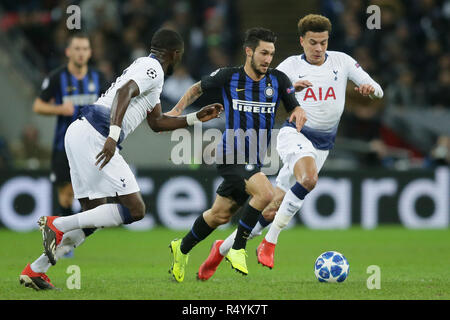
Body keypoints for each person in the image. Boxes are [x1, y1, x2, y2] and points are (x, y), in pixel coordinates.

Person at [19, 29, 222, 290]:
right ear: (176, 54)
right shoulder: (153, 68)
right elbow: (125, 91)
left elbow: (157, 123)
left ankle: (36, 270)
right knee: (135, 210)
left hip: (81, 132)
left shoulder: (147, 72)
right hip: (97, 133)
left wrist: (195, 118)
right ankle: (57, 224)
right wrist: (113, 136)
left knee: (93, 218)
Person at [197, 14, 384, 280]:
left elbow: (378, 90)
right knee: (308, 179)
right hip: (294, 134)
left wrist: (369, 89)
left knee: (272, 209)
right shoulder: (289, 66)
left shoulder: (342, 61)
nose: (318, 48)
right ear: (302, 41)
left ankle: (221, 249)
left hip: (322, 144)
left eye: (323, 42)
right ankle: (270, 242)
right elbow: (262, 91)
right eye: (312, 43)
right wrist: (290, 87)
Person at [165, 27, 306, 282]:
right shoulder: (229, 76)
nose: (267, 59)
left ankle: (181, 248)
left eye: (271, 54)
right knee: (266, 194)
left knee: (220, 214)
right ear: (249, 51)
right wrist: (176, 111)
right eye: (263, 53)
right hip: (231, 154)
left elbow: (292, 105)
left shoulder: (279, 80)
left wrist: (297, 111)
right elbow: (197, 88)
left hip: (255, 159)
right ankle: (238, 248)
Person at [32, 32, 108, 240]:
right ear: (68, 52)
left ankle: (68, 234)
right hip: (63, 146)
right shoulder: (57, 77)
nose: (81, 53)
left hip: (91, 147)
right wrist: (59, 109)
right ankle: (61, 237)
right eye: (77, 48)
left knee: (87, 195)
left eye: (84, 49)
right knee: (66, 193)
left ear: (90, 52)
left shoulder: (98, 77)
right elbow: (38, 105)